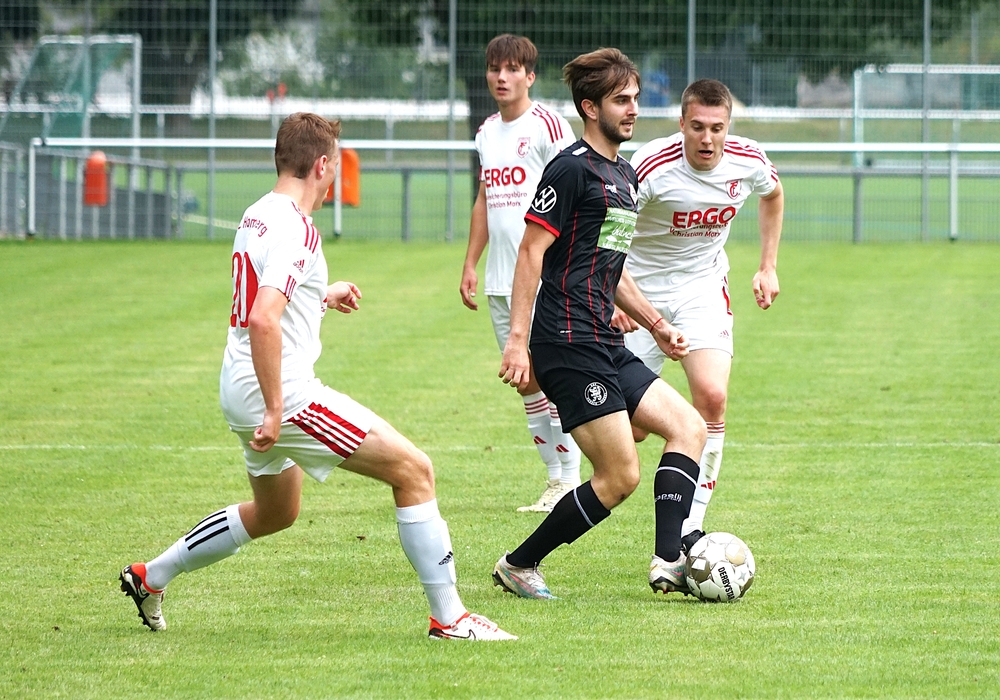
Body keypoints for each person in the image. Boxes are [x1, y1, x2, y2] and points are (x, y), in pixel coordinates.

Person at [119, 112, 515, 642]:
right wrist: (276, 408)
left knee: (276, 511)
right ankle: (450, 619)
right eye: (335, 168)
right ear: (323, 165)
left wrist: (319, 295)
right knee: (415, 471)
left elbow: (265, 294)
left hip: (237, 382)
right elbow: (264, 318)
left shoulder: (258, 213)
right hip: (280, 392)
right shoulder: (298, 229)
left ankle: (151, 576)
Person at [490, 49, 707, 600]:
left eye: (635, 98)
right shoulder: (570, 168)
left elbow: (612, 265)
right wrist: (517, 341)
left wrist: (655, 324)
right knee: (620, 476)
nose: (633, 109)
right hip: (566, 341)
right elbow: (531, 252)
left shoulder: (623, 174)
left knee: (690, 428)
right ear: (590, 107)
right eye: (620, 100)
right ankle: (519, 564)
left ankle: (668, 561)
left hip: (605, 340)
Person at [625, 79, 783, 551]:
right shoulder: (650, 167)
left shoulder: (748, 160)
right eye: (697, 127)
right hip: (638, 296)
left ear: (728, 126)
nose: (707, 139)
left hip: (701, 289)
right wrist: (613, 298)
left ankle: (690, 528)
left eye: (717, 128)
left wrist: (768, 266)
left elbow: (773, 195)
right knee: (632, 429)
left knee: (712, 398)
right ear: (681, 124)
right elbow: (609, 229)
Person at [459, 34, 580, 513]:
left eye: (512, 69)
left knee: (551, 378)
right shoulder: (487, 132)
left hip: (544, 278)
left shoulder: (549, 125)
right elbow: (485, 199)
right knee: (524, 380)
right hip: (499, 280)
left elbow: (576, 189)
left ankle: (571, 479)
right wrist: (471, 262)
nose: (501, 77)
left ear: (530, 76)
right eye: (495, 68)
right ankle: (554, 478)